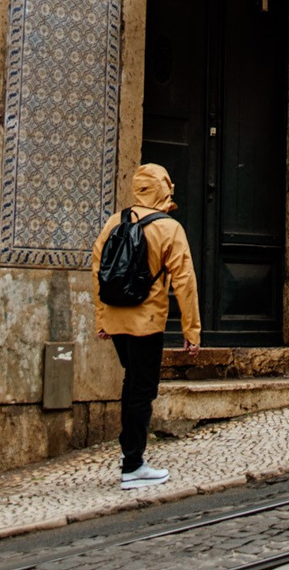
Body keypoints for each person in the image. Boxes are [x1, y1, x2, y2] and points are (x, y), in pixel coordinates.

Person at [93, 163, 201, 490]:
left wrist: (102, 318)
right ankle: (133, 465)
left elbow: (97, 269)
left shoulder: (115, 221)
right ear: (165, 188)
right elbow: (185, 282)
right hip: (146, 321)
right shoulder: (169, 228)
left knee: (132, 384)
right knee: (142, 389)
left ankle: (131, 456)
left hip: (116, 318)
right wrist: (191, 331)